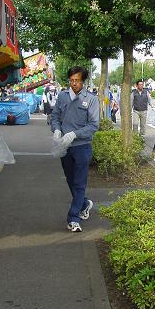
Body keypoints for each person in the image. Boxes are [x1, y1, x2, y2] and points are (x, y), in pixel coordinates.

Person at [51, 66, 100, 232]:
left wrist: (75, 134)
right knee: (71, 180)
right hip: (64, 146)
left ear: (83, 81)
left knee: (79, 183)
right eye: (71, 80)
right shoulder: (62, 96)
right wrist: (56, 129)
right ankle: (84, 204)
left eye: (77, 80)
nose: (74, 83)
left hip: (82, 146)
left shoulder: (91, 99)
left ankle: (73, 218)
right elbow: (55, 116)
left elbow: (93, 125)